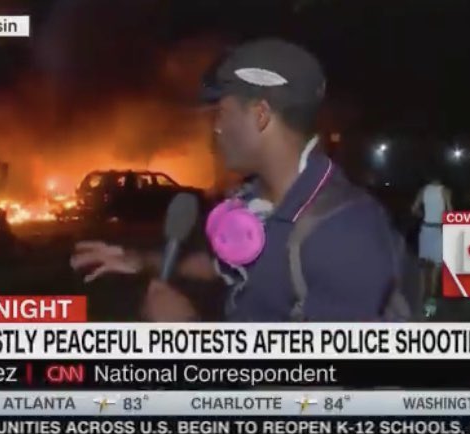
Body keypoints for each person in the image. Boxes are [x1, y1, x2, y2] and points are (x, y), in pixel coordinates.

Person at [71, 38, 399, 322]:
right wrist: (143, 261)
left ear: (260, 115)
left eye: (222, 114)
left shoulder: (346, 230)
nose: (216, 129)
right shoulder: (256, 200)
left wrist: (188, 334)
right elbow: (224, 265)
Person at [410, 174, 452, 317]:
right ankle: (431, 301)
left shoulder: (423, 190)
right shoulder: (445, 191)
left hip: (425, 228)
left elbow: (414, 209)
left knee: (423, 266)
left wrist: (423, 215)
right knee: (436, 267)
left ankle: (421, 298)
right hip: (437, 229)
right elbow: (450, 211)